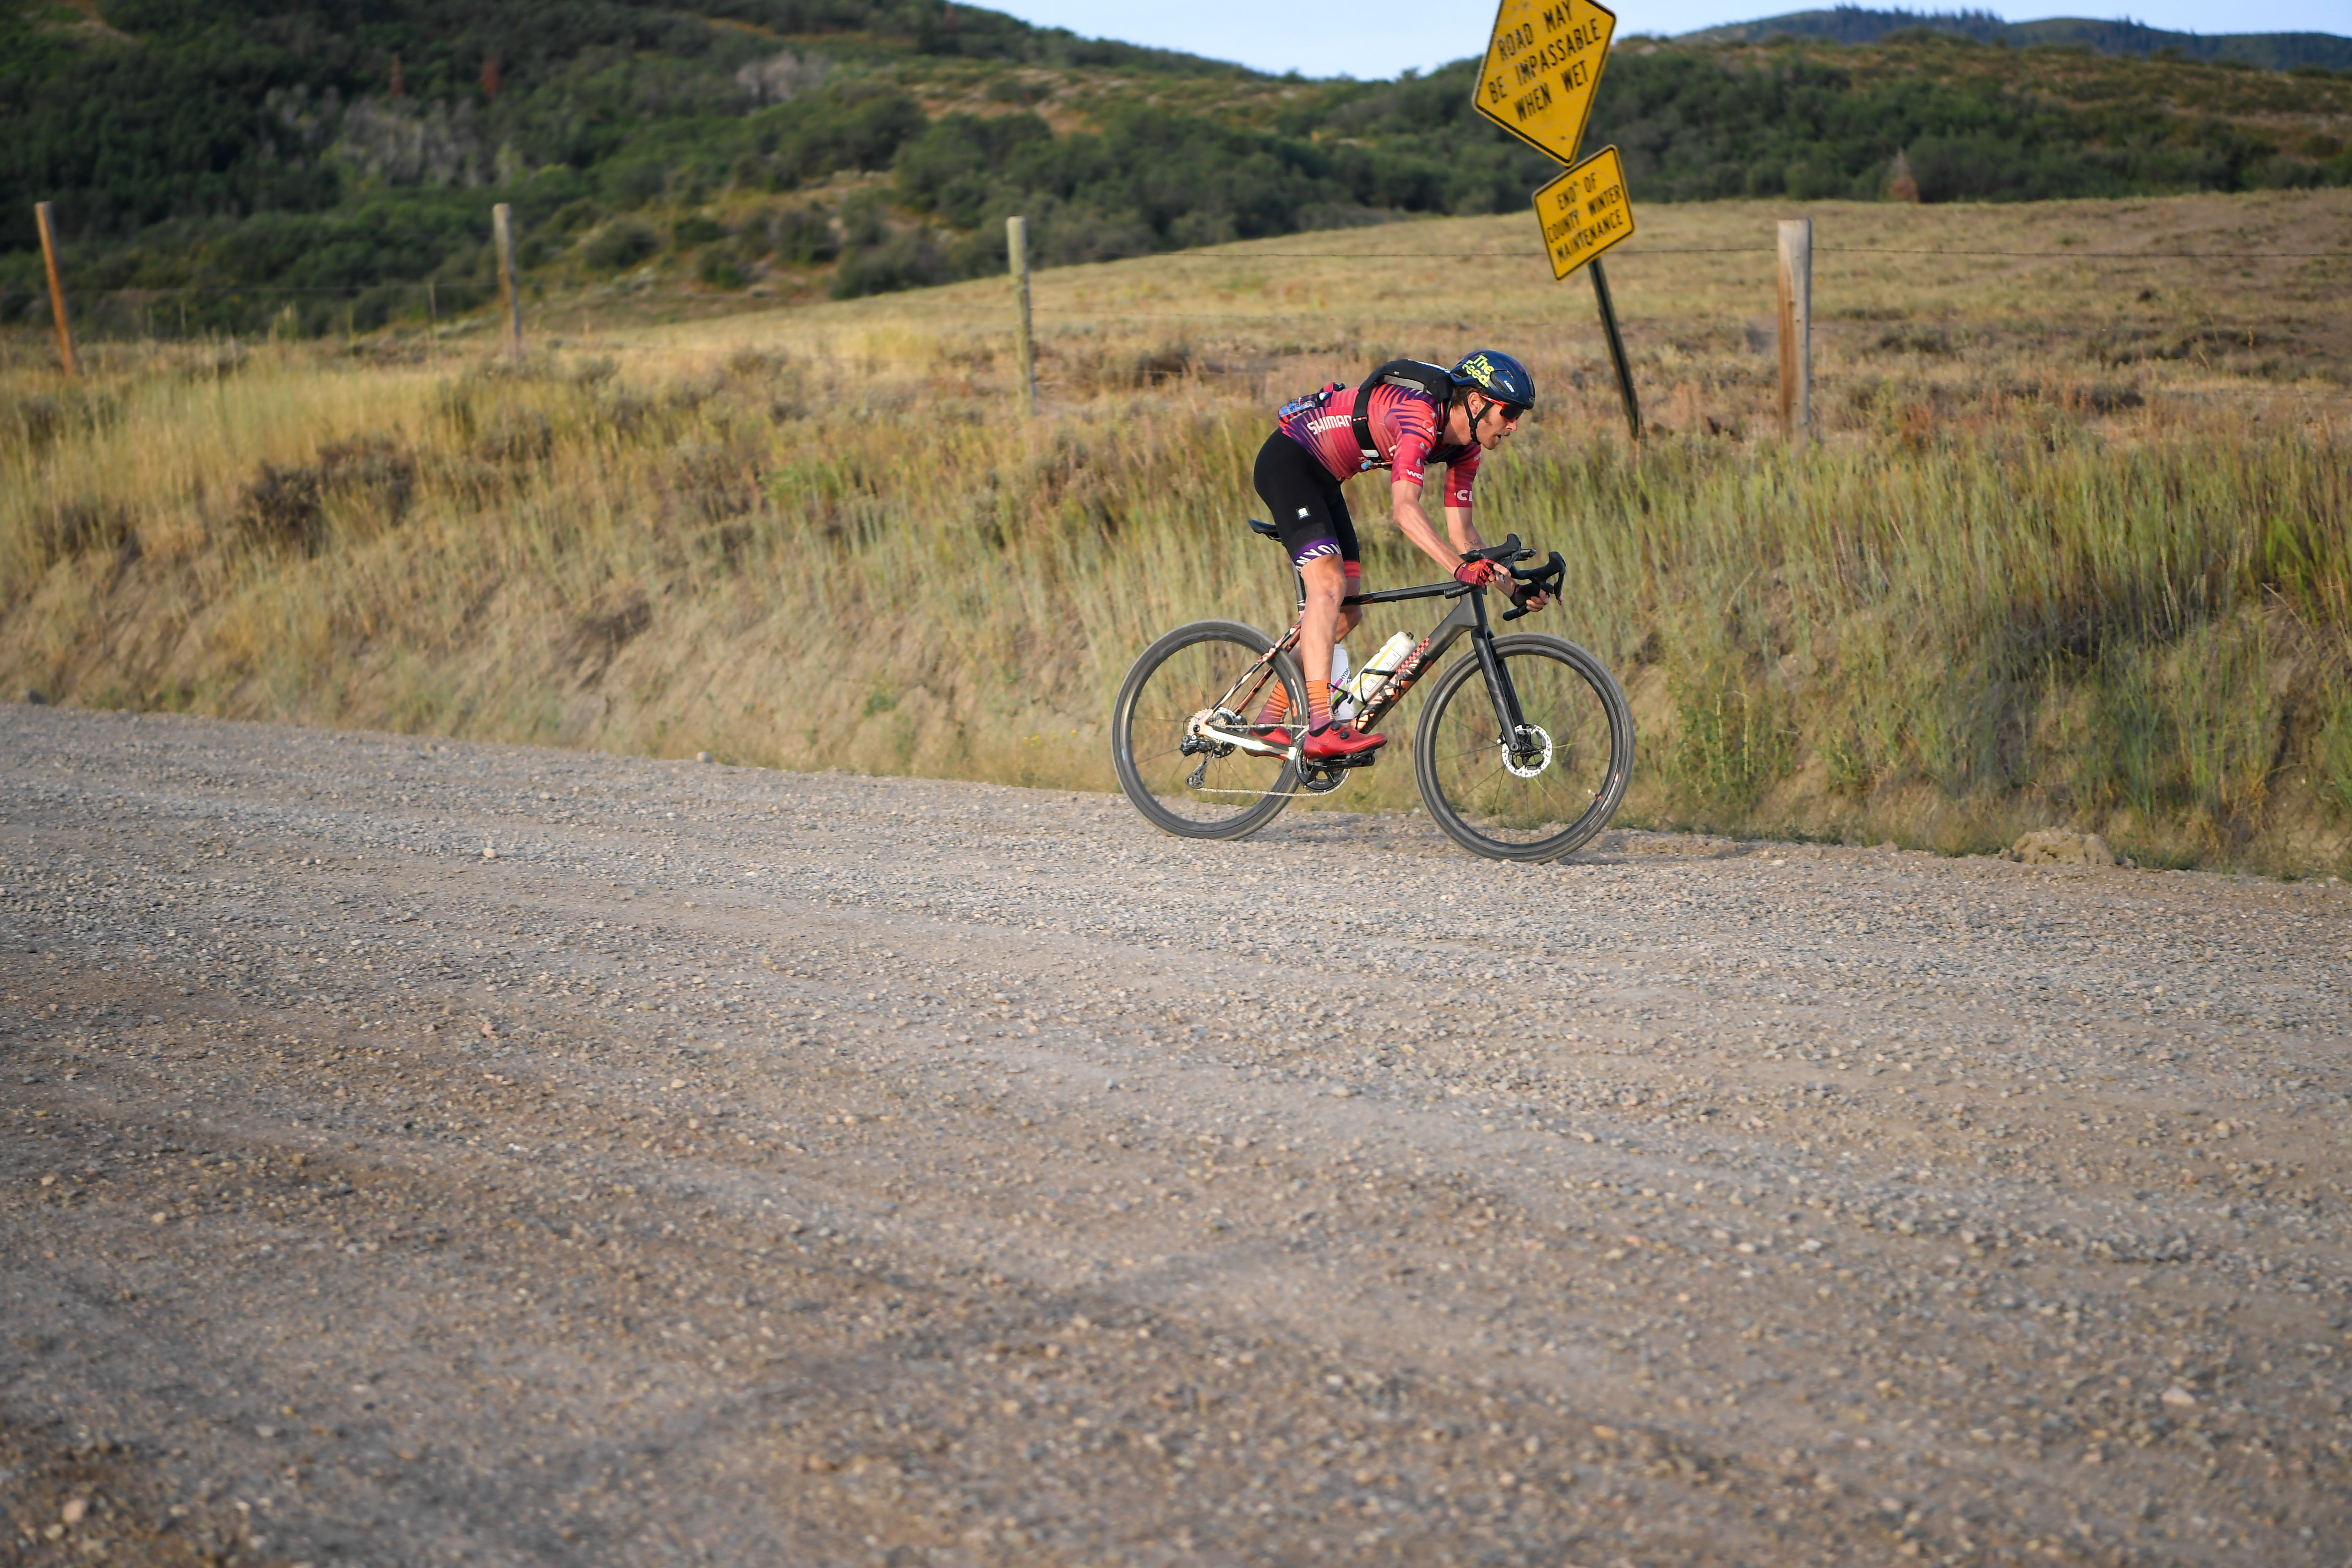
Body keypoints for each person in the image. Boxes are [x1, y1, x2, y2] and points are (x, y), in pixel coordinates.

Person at [1250, 350, 1546, 762]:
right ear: (1477, 403)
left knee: (1347, 612)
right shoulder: (1420, 416)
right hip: (1290, 462)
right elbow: (1404, 510)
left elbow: (1464, 535)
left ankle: (1268, 721)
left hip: (1325, 480)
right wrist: (1458, 568)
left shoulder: (1467, 448)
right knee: (1329, 586)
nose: (1514, 425)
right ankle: (1319, 729)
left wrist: (1513, 588)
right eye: (1509, 412)